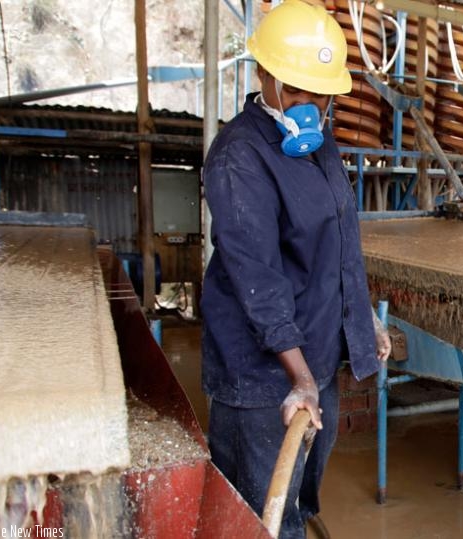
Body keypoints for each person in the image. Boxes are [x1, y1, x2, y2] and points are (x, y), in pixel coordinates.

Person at [200, 1, 391, 537]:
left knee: (300, 501)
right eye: (298, 91)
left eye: (321, 94)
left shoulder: (319, 145)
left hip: (315, 366)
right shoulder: (239, 156)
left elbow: (340, 242)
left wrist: (363, 320)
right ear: (265, 74)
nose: (310, 106)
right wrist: (299, 379)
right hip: (266, 378)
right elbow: (257, 279)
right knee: (261, 517)